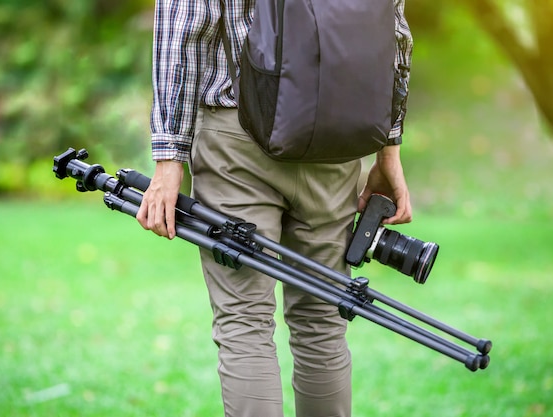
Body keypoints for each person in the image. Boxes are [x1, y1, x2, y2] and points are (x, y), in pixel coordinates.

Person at [137, 1, 413, 416]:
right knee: (323, 322)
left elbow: (187, 24)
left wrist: (169, 156)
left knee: (243, 321)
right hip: (336, 140)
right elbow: (394, 31)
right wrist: (388, 149)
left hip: (238, 138)